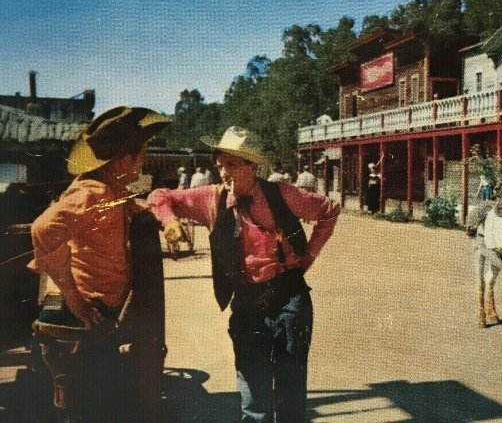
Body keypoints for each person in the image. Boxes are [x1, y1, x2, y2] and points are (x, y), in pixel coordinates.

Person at [147, 126, 340, 423]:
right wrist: (170, 222)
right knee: (253, 392)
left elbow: (329, 210)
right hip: (247, 303)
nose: (224, 173)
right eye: (221, 165)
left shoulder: (283, 194)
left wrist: (308, 256)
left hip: (289, 297)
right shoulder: (213, 199)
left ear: (252, 165)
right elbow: (161, 196)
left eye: (232, 165)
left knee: (290, 391)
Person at [29, 106, 170, 422]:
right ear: (123, 161)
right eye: (142, 154)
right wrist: (73, 297)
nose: (144, 160)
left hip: (99, 323)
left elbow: (115, 210)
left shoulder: (111, 190)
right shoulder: (93, 191)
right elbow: (42, 229)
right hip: (85, 322)